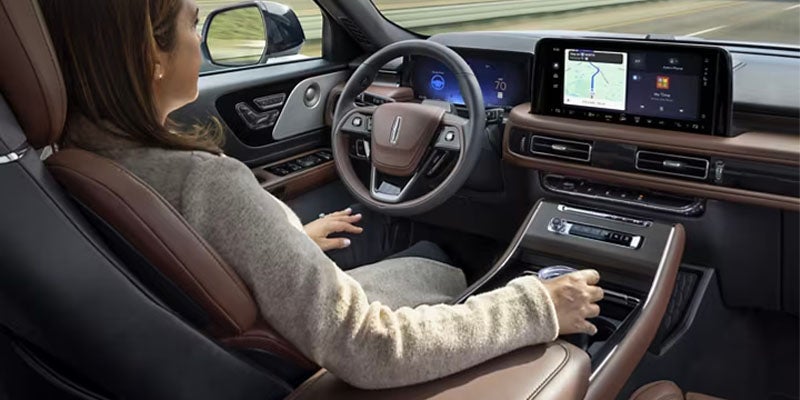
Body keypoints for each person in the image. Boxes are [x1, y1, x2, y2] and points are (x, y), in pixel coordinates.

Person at [38, 0, 603, 389]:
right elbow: (370, 347)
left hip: (237, 336)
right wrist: (537, 306)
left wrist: (280, 240)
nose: (198, 40)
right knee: (443, 266)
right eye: (192, 24)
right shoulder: (204, 181)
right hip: (306, 360)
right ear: (149, 56)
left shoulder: (68, 166)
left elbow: (177, 258)